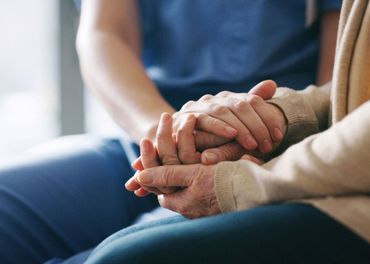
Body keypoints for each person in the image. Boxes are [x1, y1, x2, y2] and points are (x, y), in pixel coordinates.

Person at [0, 0, 341, 263]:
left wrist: (258, 139)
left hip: (265, 152)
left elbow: (340, 83)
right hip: (140, 140)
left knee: (116, 256)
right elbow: (104, 34)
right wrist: (164, 133)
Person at [84, 0, 370, 263]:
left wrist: (237, 182)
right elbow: (351, 87)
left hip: (283, 157)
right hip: (160, 137)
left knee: (117, 256)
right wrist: (282, 114)